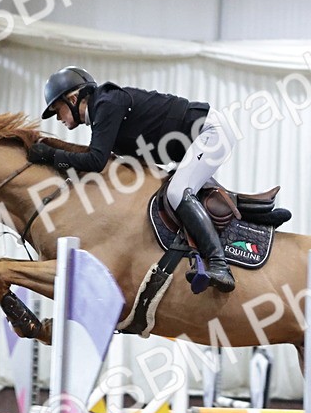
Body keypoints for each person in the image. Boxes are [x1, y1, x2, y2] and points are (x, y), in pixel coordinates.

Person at [27, 66, 236, 293]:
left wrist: (51, 156)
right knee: (172, 190)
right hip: (193, 142)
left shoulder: (106, 103)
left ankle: (219, 265)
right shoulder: (102, 112)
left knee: (177, 192)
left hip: (210, 132)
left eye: (58, 110)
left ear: (74, 98)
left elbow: (96, 161)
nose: (57, 118)